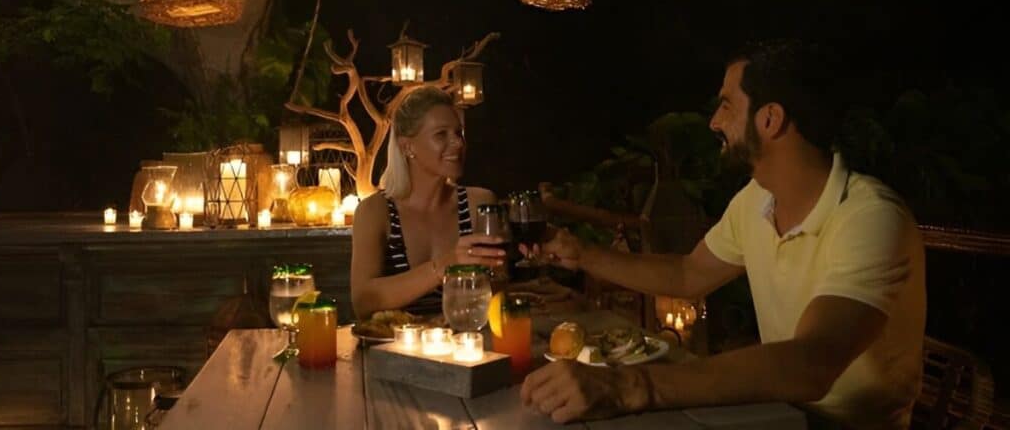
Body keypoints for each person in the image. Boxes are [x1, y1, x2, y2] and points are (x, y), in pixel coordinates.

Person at [520, 39, 926, 430]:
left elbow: (811, 363)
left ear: (770, 119)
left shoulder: (868, 217)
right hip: (777, 413)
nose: (714, 121)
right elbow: (687, 274)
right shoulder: (756, 200)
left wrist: (629, 386)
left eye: (727, 105)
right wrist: (581, 253)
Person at [350, 86, 506, 318]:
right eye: (441, 134)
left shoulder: (478, 202)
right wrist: (445, 265)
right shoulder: (375, 211)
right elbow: (363, 300)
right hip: (396, 350)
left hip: (466, 344)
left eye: (459, 133)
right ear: (407, 146)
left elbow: (498, 288)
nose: (458, 143)